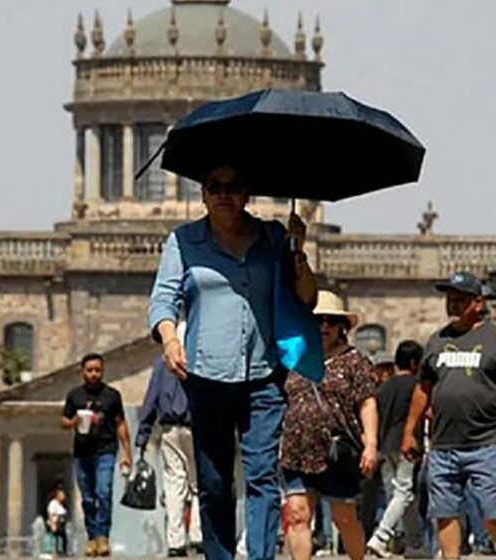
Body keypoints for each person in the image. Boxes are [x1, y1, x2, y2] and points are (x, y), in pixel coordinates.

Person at [148, 165, 317, 560]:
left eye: (233, 186)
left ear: (247, 194)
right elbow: (163, 298)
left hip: (263, 376)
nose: (224, 194)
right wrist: (170, 338)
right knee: (214, 481)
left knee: (260, 475)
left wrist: (298, 251)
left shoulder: (274, 238)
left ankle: (259, 556)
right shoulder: (183, 241)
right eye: (215, 187)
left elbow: (306, 298)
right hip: (206, 377)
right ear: (203, 195)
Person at [402, 272, 496, 559]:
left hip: (488, 443)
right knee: (445, 514)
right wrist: (410, 431)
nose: (452, 304)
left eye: (460, 299)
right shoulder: (436, 341)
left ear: (478, 302)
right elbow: (423, 388)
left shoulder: (492, 337)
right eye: (449, 299)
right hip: (444, 446)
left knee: (493, 513)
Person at [281, 290, 379, 560]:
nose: (324, 327)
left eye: (331, 321)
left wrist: (370, 444)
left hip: (335, 450)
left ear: (341, 327)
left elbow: (367, 403)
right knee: (298, 515)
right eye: (318, 320)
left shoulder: (354, 361)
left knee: (343, 517)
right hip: (296, 449)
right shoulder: (292, 358)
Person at [136, 326, 201, 558]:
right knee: (198, 482)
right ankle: (197, 534)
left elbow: (150, 400)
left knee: (174, 484)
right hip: (197, 428)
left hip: (169, 429)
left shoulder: (161, 365)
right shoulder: (199, 359)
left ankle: (176, 541)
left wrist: (143, 433)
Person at [60, 353, 132, 557]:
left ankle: (103, 537)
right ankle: (91, 537)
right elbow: (64, 421)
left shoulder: (112, 395)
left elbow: (120, 423)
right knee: (88, 498)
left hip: (105, 451)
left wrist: (127, 452)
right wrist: (74, 421)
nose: (94, 374)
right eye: (90, 370)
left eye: (97, 370)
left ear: (103, 371)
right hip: (82, 453)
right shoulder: (75, 396)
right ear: (83, 372)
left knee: (104, 492)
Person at [366, 341, 424, 557]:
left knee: (405, 493)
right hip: (406, 445)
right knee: (403, 493)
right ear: (414, 362)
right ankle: (381, 536)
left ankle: (415, 544)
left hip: (386, 445)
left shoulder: (384, 388)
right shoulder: (415, 385)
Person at [46, 487, 68, 556]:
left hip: (61, 522)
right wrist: (53, 525)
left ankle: (62, 551)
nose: (63, 496)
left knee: (63, 537)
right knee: (57, 538)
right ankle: (56, 551)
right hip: (56, 522)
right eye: (62, 495)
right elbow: (50, 514)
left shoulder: (60, 504)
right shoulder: (53, 503)